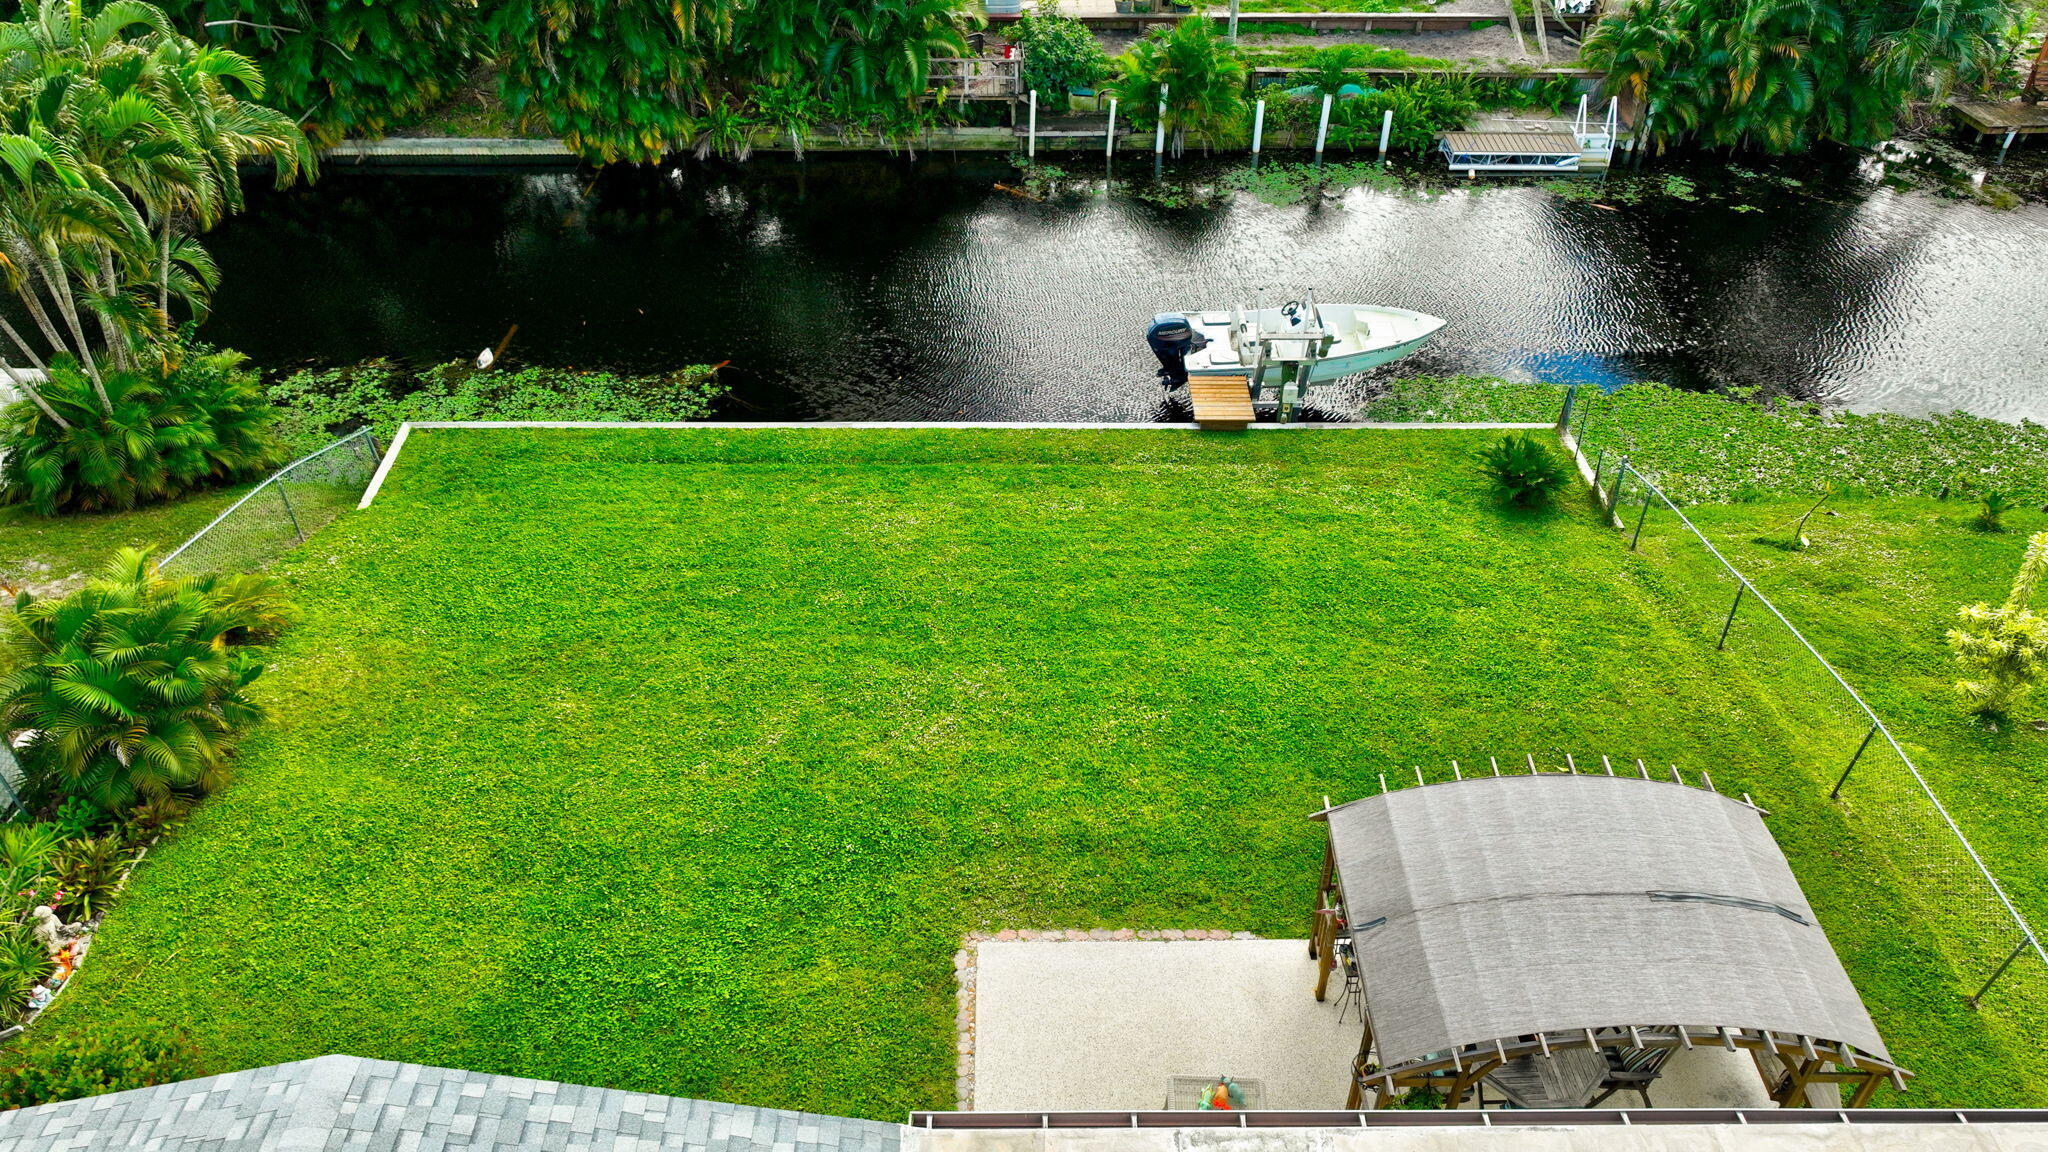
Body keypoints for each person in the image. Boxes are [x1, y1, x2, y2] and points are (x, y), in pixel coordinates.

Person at [1146, 313, 1209, 387]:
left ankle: (1174, 370)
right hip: (1175, 339)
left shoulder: (1157, 335)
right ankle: (1178, 371)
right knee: (1181, 356)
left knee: (1171, 359)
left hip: (1163, 341)